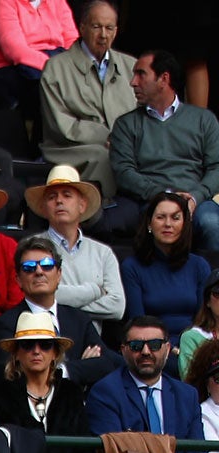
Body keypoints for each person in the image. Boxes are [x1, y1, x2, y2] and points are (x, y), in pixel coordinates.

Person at [86, 314, 213, 453]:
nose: (146, 352)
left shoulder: (186, 395)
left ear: (168, 349)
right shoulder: (105, 392)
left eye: (154, 345)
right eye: (136, 346)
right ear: (123, 350)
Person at [110, 51, 219, 256]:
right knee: (152, 221)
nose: (133, 82)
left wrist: (195, 197)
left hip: (196, 201)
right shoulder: (126, 124)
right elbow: (123, 172)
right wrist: (164, 194)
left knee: (213, 223)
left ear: (164, 79)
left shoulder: (204, 120)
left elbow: (217, 167)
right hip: (149, 200)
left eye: (141, 74)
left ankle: (213, 285)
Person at [0, 309, 88, 453]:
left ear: (55, 353)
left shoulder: (71, 394)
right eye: (27, 345)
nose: (36, 351)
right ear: (16, 353)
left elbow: (83, 451)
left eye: (45, 344)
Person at [0, 233, 112, 384]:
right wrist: (76, 369)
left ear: (59, 274)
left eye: (47, 265)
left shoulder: (78, 318)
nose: (39, 271)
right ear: (18, 280)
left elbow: (108, 363)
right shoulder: (6, 323)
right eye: (29, 267)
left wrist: (60, 370)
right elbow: (11, 375)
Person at [40, 0, 134, 197]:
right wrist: (107, 136)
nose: (103, 35)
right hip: (70, 148)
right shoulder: (56, 68)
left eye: (109, 28)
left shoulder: (131, 67)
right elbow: (62, 126)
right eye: (96, 26)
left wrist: (128, 140)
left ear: (116, 31)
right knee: (104, 157)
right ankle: (103, 215)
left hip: (124, 144)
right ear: (82, 28)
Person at [29, 164, 123, 323]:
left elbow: (117, 307)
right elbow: (37, 296)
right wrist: (95, 290)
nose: (59, 201)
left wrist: (57, 300)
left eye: (67, 195)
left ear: (82, 205)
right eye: (52, 197)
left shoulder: (102, 252)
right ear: (44, 208)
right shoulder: (30, 247)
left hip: (91, 346)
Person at [120, 190, 211, 341]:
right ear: (149, 223)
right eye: (161, 217)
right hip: (152, 347)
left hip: (194, 346)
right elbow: (137, 323)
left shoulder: (199, 266)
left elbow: (204, 321)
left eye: (175, 218)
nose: (168, 224)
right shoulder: (132, 267)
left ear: (185, 224)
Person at [0, 0, 76, 117]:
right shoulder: (3, 3)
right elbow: (16, 51)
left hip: (58, 60)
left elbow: (72, 40)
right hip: (19, 67)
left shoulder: (58, 2)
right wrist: (55, 67)